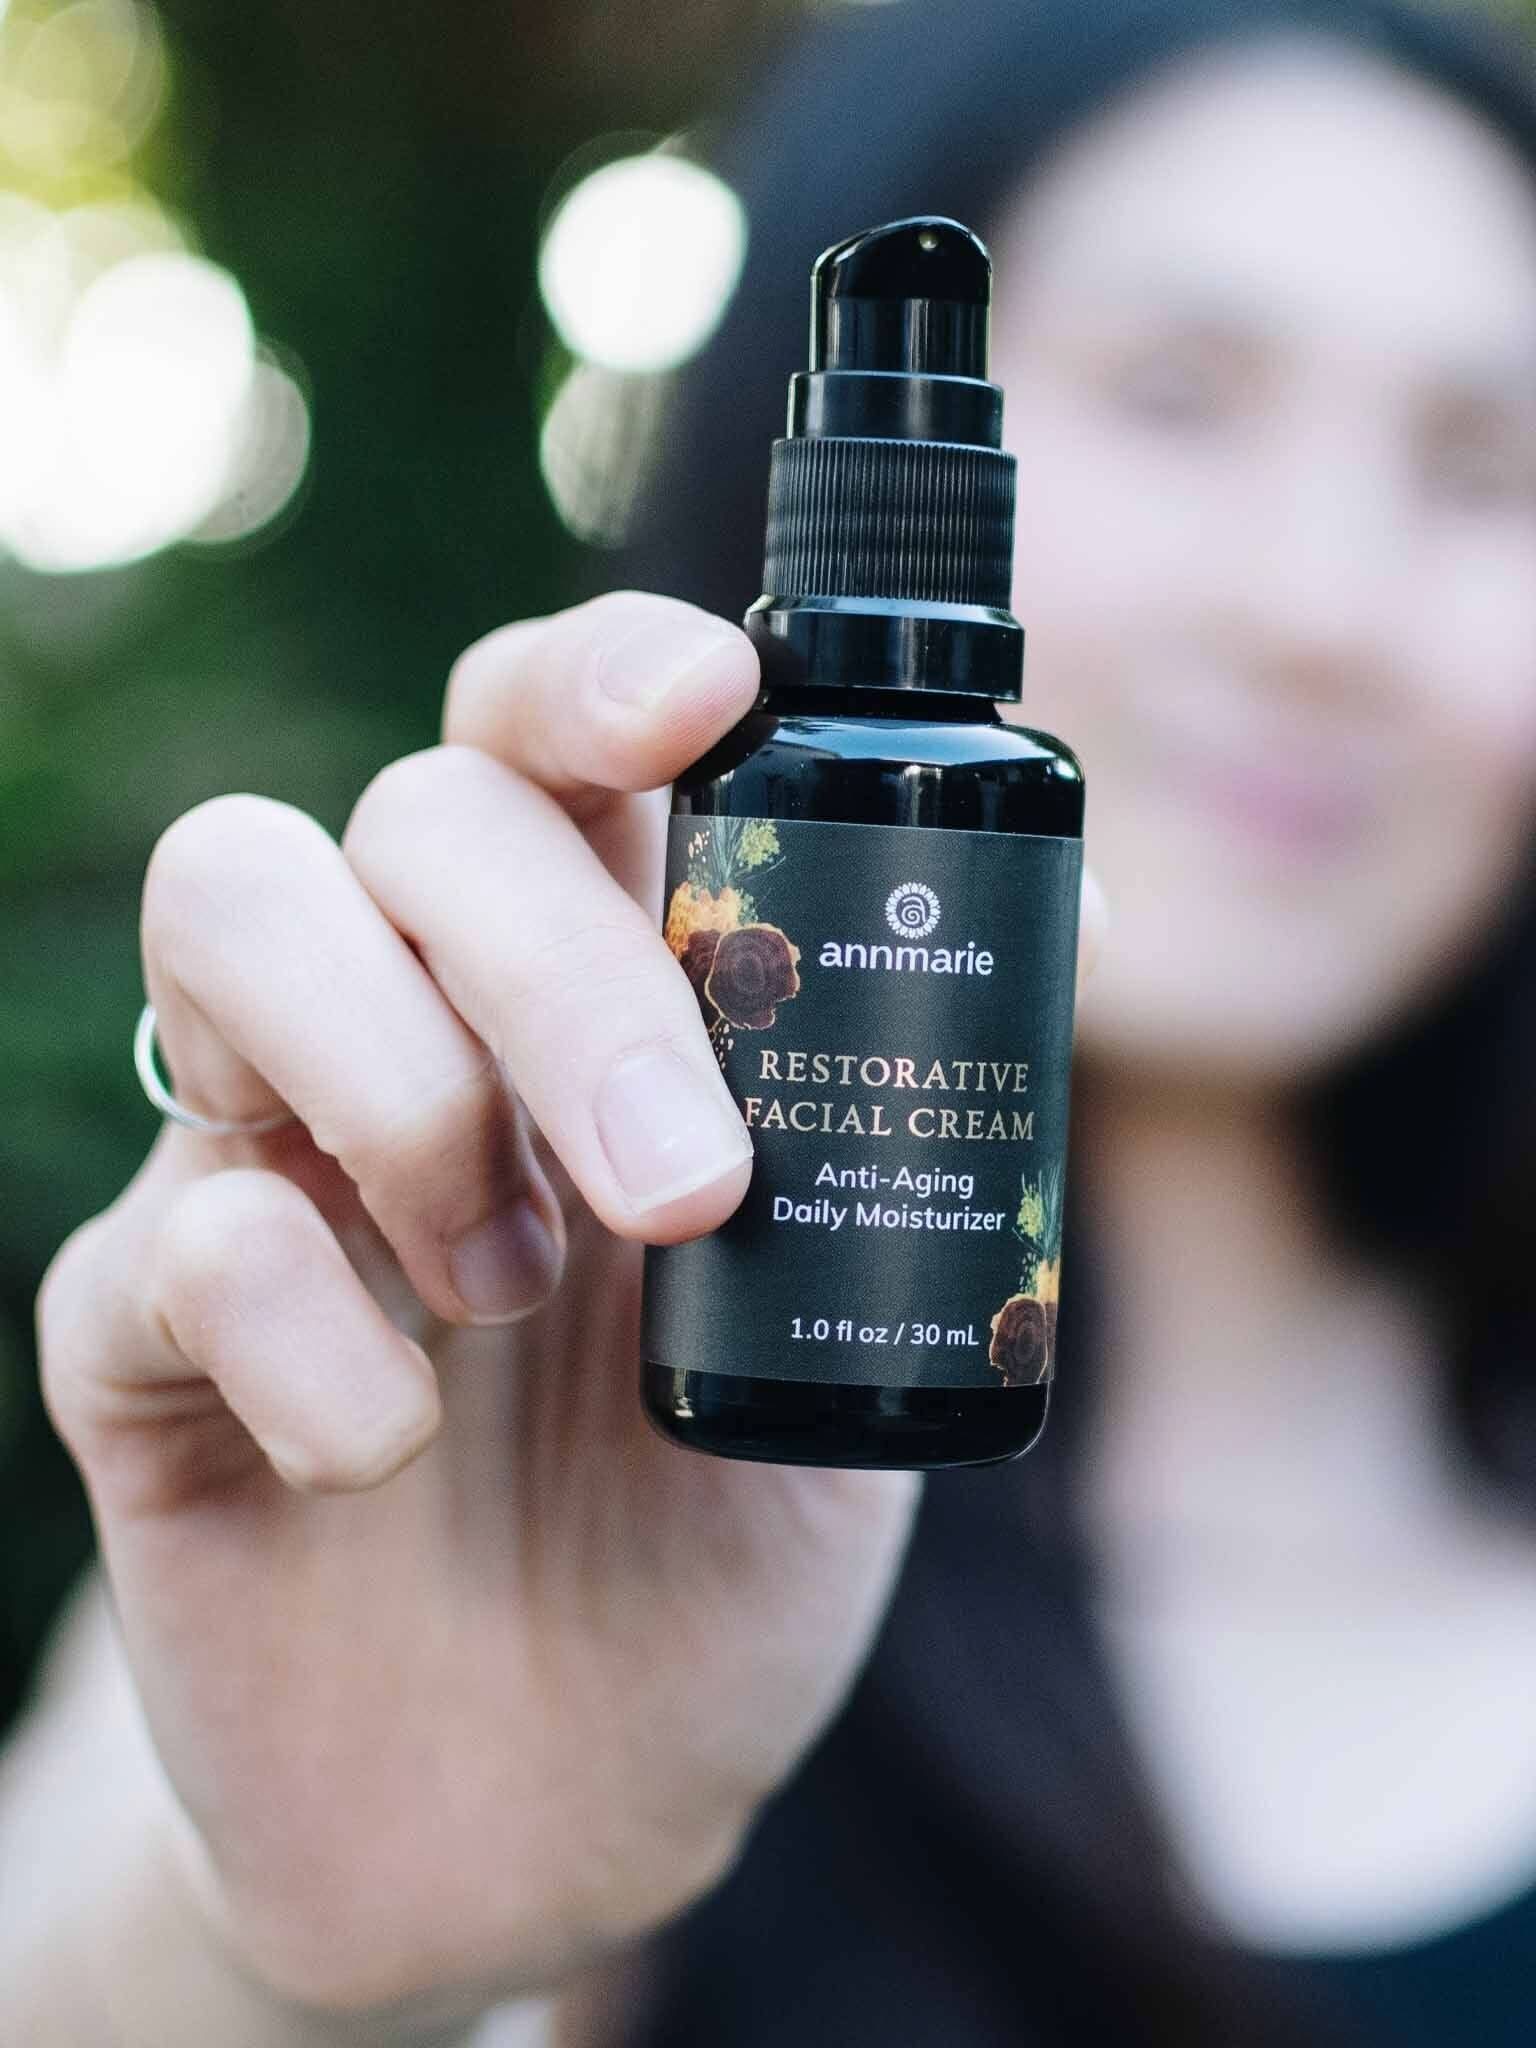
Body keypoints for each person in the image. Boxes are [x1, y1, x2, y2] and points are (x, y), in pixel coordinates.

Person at [5, 0, 1536, 2041]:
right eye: (1178, 393)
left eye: (1483, 461)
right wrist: (290, 1975)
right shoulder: (467, 1432)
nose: (1322, 600)